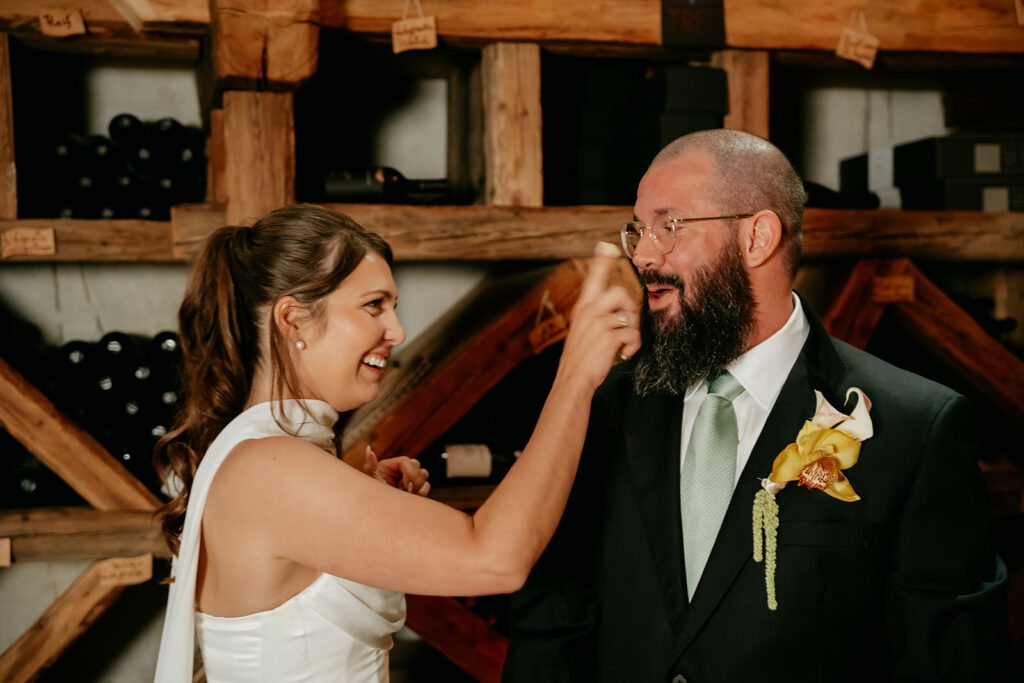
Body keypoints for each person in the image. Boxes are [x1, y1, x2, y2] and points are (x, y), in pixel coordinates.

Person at [502, 129, 1011, 682]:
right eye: (637, 231)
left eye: (669, 226)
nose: (644, 255)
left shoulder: (915, 427)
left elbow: (951, 664)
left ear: (757, 238)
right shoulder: (602, 407)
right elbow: (551, 632)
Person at [152, 204, 640, 682]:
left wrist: (369, 506)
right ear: (293, 320)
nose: (397, 331)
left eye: (393, 307)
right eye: (373, 306)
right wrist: (575, 375)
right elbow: (496, 560)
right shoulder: (270, 467)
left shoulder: (265, 455)